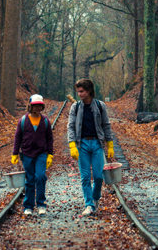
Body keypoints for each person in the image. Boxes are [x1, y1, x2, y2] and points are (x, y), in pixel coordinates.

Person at [66, 78, 114, 216]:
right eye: (78, 92)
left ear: (89, 91)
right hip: (82, 145)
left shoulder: (100, 105)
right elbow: (70, 127)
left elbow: (106, 125)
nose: (79, 94)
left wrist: (109, 144)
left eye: (81, 91)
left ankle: (95, 197)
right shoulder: (75, 107)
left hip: (97, 144)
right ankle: (89, 205)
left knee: (99, 177)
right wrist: (72, 145)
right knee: (85, 177)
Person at [11, 94, 54, 216]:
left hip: (41, 153)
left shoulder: (45, 121)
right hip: (27, 154)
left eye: (39, 105)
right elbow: (18, 137)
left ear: (42, 107)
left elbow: (49, 138)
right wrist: (15, 153)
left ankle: (41, 204)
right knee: (30, 180)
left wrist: (50, 154)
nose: (37, 108)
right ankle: (28, 206)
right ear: (30, 106)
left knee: (40, 177)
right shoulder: (23, 121)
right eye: (35, 105)